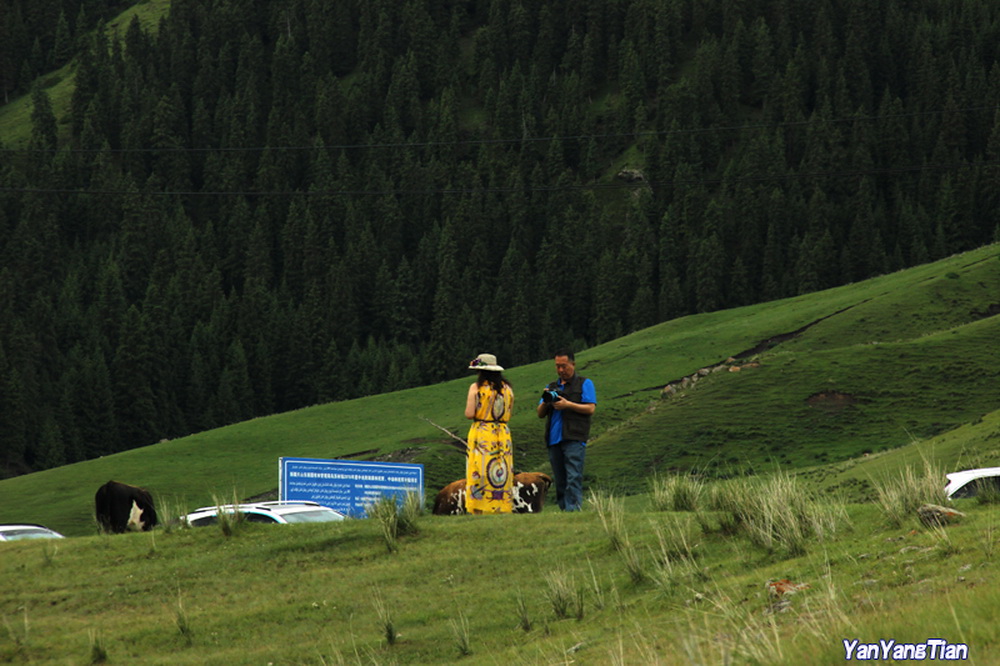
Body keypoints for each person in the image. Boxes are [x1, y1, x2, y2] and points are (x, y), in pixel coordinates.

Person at [536, 349, 596, 511]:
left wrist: (568, 405)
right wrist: (546, 400)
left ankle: (574, 509)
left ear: (573, 364)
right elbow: (540, 414)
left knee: (574, 475)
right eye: (557, 367)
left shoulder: (584, 383)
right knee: (560, 478)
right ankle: (564, 510)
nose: (561, 370)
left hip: (574, 437)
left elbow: (590, 408)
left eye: (564, 366)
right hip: (554, 439)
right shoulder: (552, 387)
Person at [464, 353, 515, 514]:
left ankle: (479, 506)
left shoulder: (476, 388)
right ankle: (501, 506)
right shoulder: (507, 389)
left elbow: (469, 413)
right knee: (501, 470)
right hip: (502, 433)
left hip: (482, 433)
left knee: (480, 470)